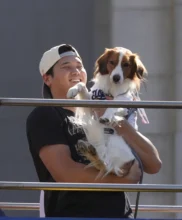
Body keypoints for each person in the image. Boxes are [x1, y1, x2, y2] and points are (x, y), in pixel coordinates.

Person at [26, 44, 162, 218]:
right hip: (73, 214)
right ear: (47, 79)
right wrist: (122, 181)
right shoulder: (45, 114)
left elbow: (153, 164)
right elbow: (66, 173)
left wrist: (114, 119)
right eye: (66, 67)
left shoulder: (102, 110)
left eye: (79, 66)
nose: (76, 71)